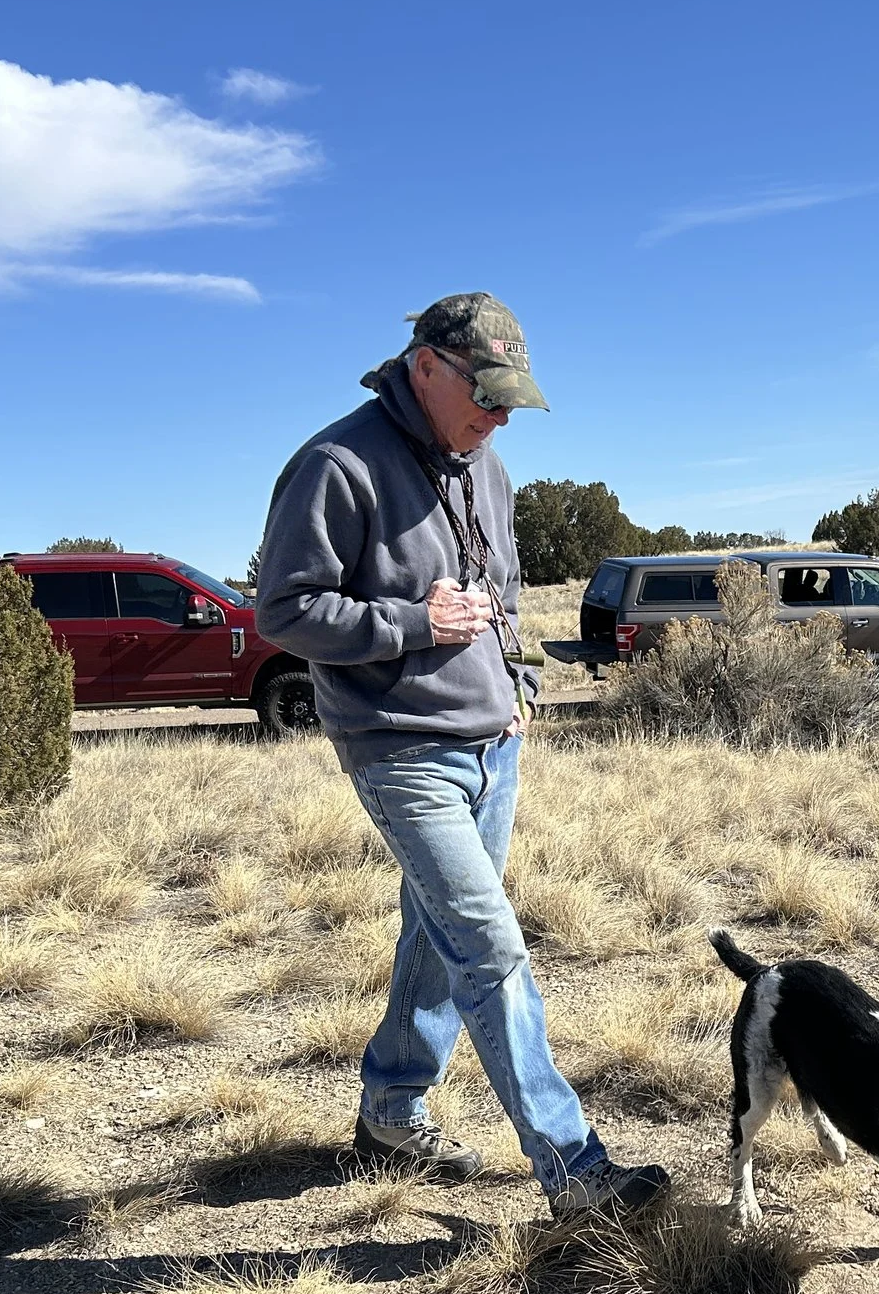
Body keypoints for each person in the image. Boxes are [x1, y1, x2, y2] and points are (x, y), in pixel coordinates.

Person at [254, 294, 664, 1216]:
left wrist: (520, 685)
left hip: (493, 743)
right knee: (487, 944)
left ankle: (391, 1111)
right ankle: (576, 1172)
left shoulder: (489, 465)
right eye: (488, 395)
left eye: (513, 400)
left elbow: (503, 589)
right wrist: (412, 622)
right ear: (426, 367)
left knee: (435, 937)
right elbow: (282, 610)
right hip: (399, 747)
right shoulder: (337, 465)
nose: (500, 418)